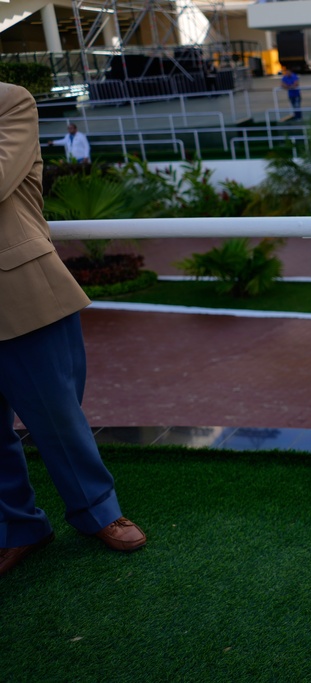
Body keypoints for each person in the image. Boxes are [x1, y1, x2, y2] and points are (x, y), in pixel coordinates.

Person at [0, 81, 147, 578]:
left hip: (20, 292)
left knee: (56, 417)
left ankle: (98, 512)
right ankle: (17, 528)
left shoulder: (9, 101)